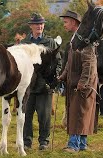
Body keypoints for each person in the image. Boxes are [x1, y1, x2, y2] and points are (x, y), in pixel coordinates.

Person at [59, 10, 98, 153]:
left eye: (66, 22)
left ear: (74, 22)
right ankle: (81, 144)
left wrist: (83, 82)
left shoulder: (84, 41)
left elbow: (89, 63)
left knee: (79, 113)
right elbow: (70, 62)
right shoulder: (74, 39)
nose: (64, 25)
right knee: (78, 112)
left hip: (82, 84)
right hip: (74, 81)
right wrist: (63, 75)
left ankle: (74, 145)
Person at [22, 13, 62, 150]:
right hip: (27, 86)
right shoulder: (24, 43)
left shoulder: (51, 42)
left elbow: (58, 61)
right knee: (26, 115)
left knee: (44, 116)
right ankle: (26, 142)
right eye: (37, 24)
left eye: (41, 23)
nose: (39, 26)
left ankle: (43, 141)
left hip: (45, 85)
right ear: (31, 26)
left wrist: (54, 78)